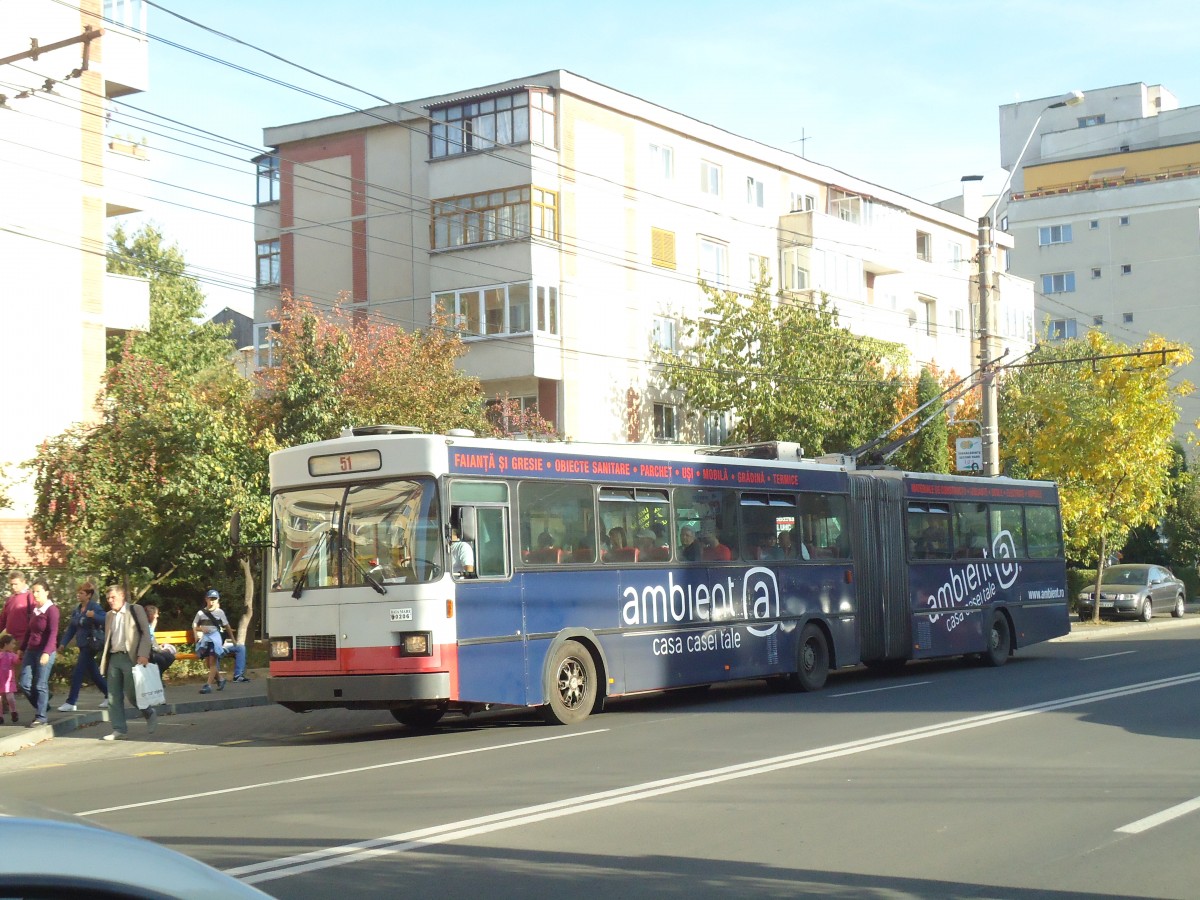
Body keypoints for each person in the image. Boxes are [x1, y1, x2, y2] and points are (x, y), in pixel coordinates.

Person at [98, 584, 157, 741]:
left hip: (131, 657)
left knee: (132, 694)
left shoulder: (135, 610)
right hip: (114, 658)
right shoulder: (109, 615)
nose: (110, 601)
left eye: (113, 597)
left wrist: (143, 654)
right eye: (108, 598)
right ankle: (119, 729)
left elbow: (146, 633)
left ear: (122, 596)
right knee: (113, 696)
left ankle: (148, 712)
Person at [57, 582, 109, 712]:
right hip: (82, 644)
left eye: (81, 593)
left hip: (91, 645)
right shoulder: (77, 609)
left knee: (78, 672)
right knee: (94, 673)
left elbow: (106, 619)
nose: (78, 595)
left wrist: (94, 616)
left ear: (89, 595)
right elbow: (71, 628)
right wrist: (63, 643)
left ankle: (71, 702)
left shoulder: (94, 607)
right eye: (78, 592)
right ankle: (111, 695)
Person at [19, 578, 60, 728]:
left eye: (38, 591)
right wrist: (21, 648)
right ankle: (43, 704)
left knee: (40, 684)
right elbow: (29, 631)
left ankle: (41, 716)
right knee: (24, 683)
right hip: (31, 650)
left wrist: (47, 652)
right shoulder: (34, 610)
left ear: (46, 592)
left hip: (45, 651)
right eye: (33, 591)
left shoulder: (52, 610)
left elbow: (53, 633)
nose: (35, 594)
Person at [193, 589, 247, 692]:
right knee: (208, 663)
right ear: (206, 599)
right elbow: (194, 623)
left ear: (218, 600)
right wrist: (196, 632)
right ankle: (220, 679)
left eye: (214, 599)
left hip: (215, 639)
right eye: (210, 599)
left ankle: (208, 685)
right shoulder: (201, 613)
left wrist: (233, 640)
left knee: (212, 662)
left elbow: (227, 626)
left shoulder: (220, 612)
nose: (212, 601)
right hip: (206, 640)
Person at [0, 570, 34, 652]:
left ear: (24, 582)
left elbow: (35, 619)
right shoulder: (11, 599)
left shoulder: (30, 597)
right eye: (11, 584)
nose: (13, 587)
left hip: (22, 641)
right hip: (9, 641)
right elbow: (3, 620)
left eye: (16, 584)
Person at [142, 604, 177, 677]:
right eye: (156, 614)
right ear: (152, 615)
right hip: (146, 653)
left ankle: (157, 677)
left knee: (170, 657)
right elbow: (148, 641)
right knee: (161, 660)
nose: (158, 616)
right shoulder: (145, 626)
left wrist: (160, 647)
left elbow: (152, 643)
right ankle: (157, 678)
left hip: (153, 650)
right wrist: (162, 649)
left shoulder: (150, 625)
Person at [0, 634, 19, 724]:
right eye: (12, 643)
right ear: (6, 644)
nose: (14, 646)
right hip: (0, 680)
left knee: (10, 697)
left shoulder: (12, 655)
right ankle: (0, 717)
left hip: (8, 680)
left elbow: (16, 661)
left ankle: (13, 711)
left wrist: (20, 656)